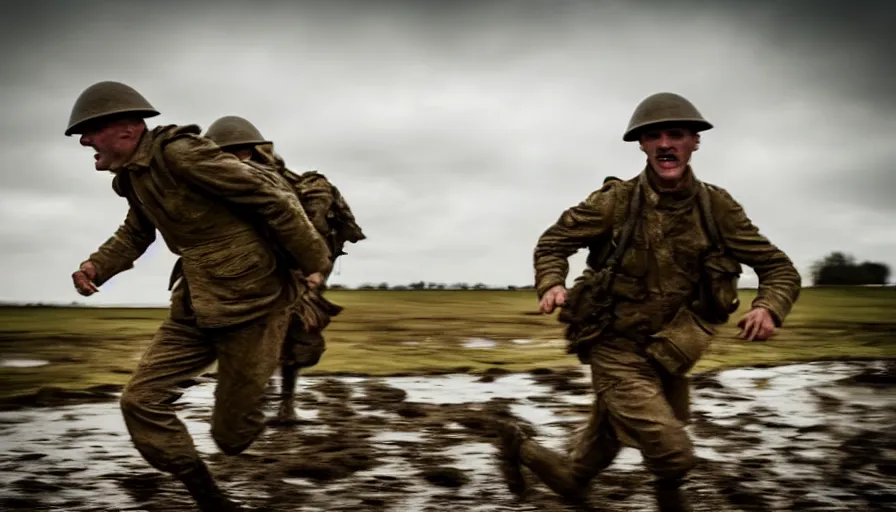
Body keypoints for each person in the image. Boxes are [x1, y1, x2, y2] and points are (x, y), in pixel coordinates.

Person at [494, 92, 802, 511]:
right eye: (653, 136)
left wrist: (768, 306)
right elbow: (552, 244)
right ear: (641, 145)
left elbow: (778, 267)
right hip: (613, 345)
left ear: (695, 141)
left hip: (670, 353)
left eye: (675, 134)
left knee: (577, 476)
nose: (664, 144)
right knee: (673, 455)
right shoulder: (613, 202)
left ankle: (521, 449)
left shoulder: (717, 208)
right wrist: (552, 283)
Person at [66, 81, 332, 511]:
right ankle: (212, 501)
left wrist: (313, 263)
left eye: (90, 130)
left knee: (231, 437)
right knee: (140, 402)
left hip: (254, 304)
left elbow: (272, 198)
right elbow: (136, 231)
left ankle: (251, 400)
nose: (84, 141)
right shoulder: (137, 178)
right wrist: (98, 266)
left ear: (127, 129)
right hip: (194, 305)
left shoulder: (181, 154)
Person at [204, 115, 366, 423]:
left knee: (293, 340)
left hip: (295, 274)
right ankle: (254, 403)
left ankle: (281, 405)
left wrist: (311, 271)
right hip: (263, 275)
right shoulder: (223, 184)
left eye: (228, 154)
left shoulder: (277, 185)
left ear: (246, 152)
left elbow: (302, 228)